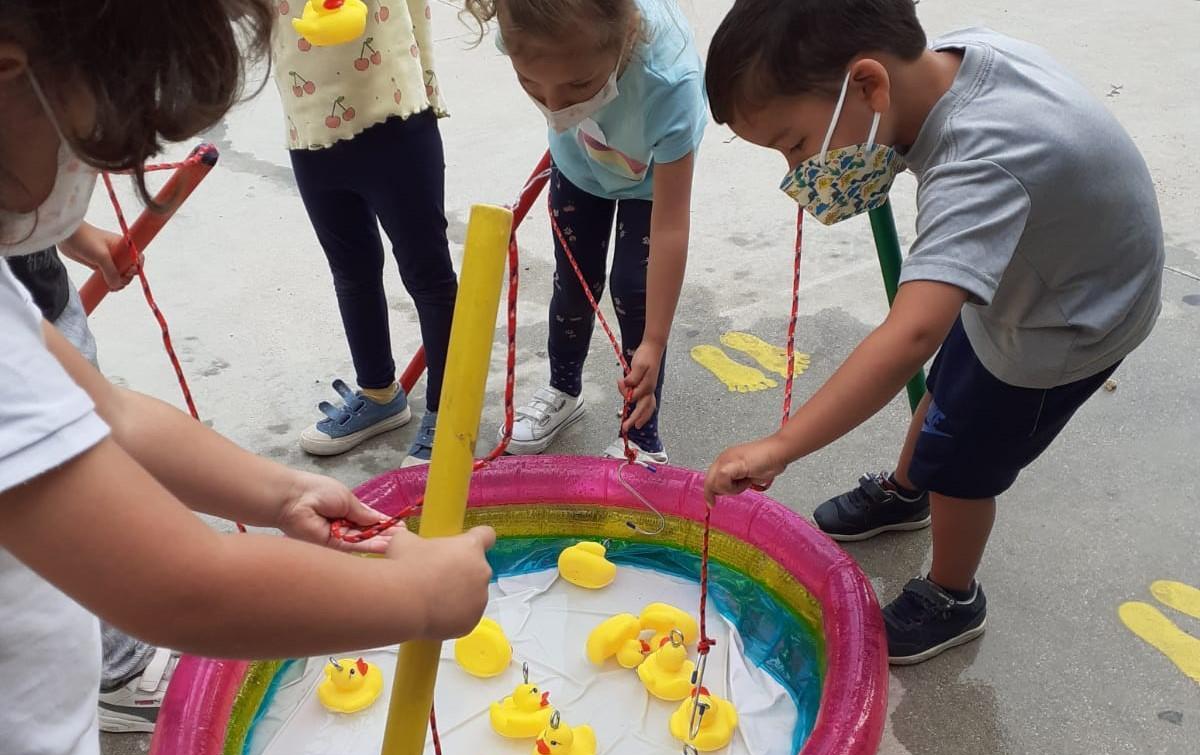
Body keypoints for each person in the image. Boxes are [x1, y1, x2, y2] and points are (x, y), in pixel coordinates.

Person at [0, 4, 493, 755]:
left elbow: (111, 414)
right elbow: (183, 587)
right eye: (98, 138)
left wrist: (283, 493)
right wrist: (420, 597)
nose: (95, 171)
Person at [702, 0, 1162, 664]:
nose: (795, 171)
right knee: (947, 389)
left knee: (966, 463)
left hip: (1068, 317)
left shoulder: (981, 160)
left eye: (794, 144)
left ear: (867, 85)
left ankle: (953, 594)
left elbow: (912, 335)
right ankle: (907, 489)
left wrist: (782, 445)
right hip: (1036, 269)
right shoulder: (950, 60)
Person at [465, 0, 707, 464]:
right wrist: (566, 92)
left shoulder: (669, 84)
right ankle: (563, 387)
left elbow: (672, 225)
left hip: (652, 180)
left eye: (578, 85)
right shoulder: (525, 24)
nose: (556, 109)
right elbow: (557, 94)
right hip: (579, 165)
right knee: (573, 283)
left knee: (635, 291)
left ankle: (642, 435)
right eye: (531, 84)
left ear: (624, 41)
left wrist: (655, 339)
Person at [8, 226, 178, 734]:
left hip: (40, 295)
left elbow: (115, 419)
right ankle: (124, 673)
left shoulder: (15, 306)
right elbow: (205, 582)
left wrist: (66, 231)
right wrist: (410, 597)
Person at [273, 0, 458, 464]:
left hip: (392, 112)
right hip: (309, 124)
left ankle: (450, 412)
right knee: (351, 270)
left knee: (427, 275)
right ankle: (379, 394)